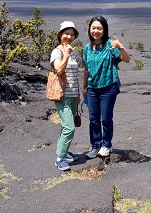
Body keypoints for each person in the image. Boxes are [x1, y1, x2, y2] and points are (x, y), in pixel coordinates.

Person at [82, 16, 130, 159]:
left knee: (106, 119)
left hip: (108, 87)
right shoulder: (87, 48)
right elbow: (86, 68)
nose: (96, 31)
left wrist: (120, 47)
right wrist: (84, 87)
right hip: (92, 88)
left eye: (99, 28)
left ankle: (106, 145)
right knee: (93, 118)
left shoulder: (111, 45)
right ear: (90, 29)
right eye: (93, 28)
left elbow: (127, 60)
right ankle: (96, 145)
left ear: (104, 29)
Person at [50, 21, 81, 171]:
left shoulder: (73, 51)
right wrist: (67, 54)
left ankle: (64, 151)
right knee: (69, 128)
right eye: (66, 33)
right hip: (62, 96)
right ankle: (60, 159)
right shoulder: (57, 52)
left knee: (66, 127)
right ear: (60, 35)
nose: (69, 36)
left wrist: (79, 94)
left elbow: (75, 74)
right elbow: (59, 70)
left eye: (72, 34)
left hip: (73, 94)